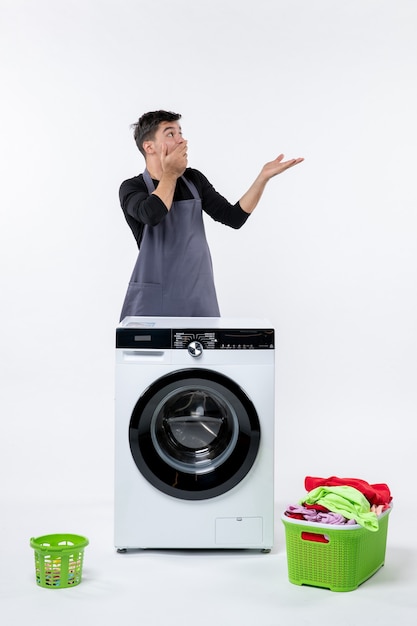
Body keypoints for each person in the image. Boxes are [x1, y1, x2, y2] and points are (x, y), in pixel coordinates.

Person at [119, 110, 303, 320]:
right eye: (170, 134)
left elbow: (234, 218)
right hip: (154, 301)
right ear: (149, 146)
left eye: (181, 132)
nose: (182, 140)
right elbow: (152, 214)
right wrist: (170, 173)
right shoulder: (132, 188)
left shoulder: (193, 180)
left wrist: (262, 178)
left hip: (197, 296)